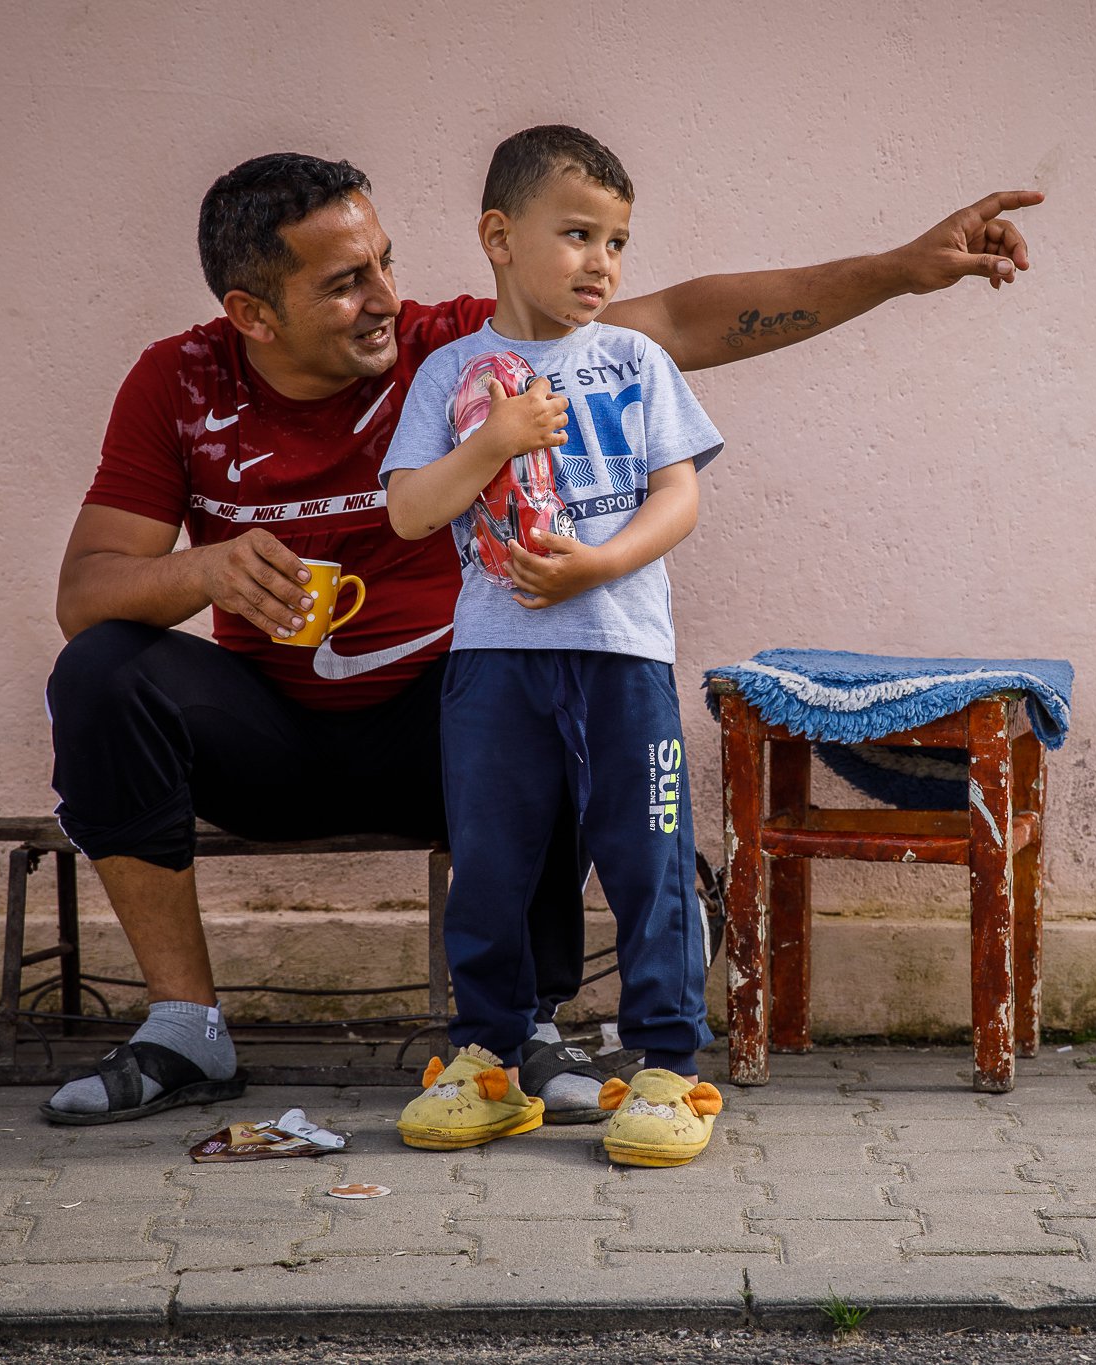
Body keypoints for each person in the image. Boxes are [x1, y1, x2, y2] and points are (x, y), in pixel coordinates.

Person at [40, 148, 1040, 1127]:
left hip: (439, 728)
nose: (388, 295)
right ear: (253, 314)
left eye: (384, 261)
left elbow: (686, 320)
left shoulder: (459, 352)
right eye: (347, 284)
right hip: (267, 743)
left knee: (548, 680)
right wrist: (201, 572)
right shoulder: (179, 385)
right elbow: (86, 592)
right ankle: (184, 1031)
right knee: (101, 671)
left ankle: (529, 1030)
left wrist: (900, 272)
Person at [382, 125, 725, 1165]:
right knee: (491, 864)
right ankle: (486, 1064)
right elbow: (407, 513)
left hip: (622, 660)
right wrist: (494, 438)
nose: (601, 263)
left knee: (647, 860)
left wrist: (597, 566)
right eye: (576, 234)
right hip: (492, 668)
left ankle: (665, 1070)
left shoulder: (632, 359)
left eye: (616, 242)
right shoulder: (451, 373)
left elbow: (680, 495)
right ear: (498, 235)